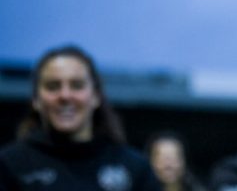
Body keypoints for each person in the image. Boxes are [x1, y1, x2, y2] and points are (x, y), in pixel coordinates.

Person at [0, 45, 161, 191]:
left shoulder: (134, 168)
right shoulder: (9, 165)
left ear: (96, 96)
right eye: (53, 86)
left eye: (77, 85)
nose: (65, 95)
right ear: (36, 99)